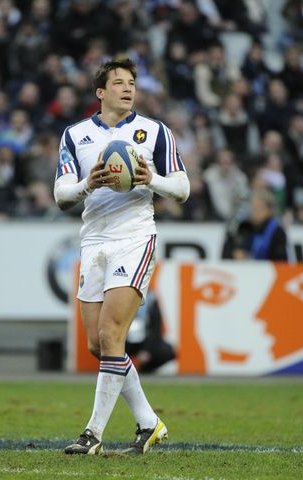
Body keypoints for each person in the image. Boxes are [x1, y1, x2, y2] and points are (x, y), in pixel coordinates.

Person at [54, 58, 190, 454]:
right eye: (119, 83)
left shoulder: (154, 132)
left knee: (112, 334)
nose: (128, 88)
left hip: (135, 236)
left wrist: (154, 180)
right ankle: (149, 423)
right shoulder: (75, 135)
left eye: (132, 82)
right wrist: (86, 185)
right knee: (100, 345)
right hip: (94, 241)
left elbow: (182, 188)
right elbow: (61, 194)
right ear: (100, 92)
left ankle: (92, 434)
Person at [222, 188, 288, 261]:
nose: (254, 213)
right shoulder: (246, 227)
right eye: (253, 208)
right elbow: (230, 249)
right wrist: (235, 253)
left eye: (258, 208)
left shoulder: (277, 232)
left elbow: (281, 262)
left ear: (269, 210)